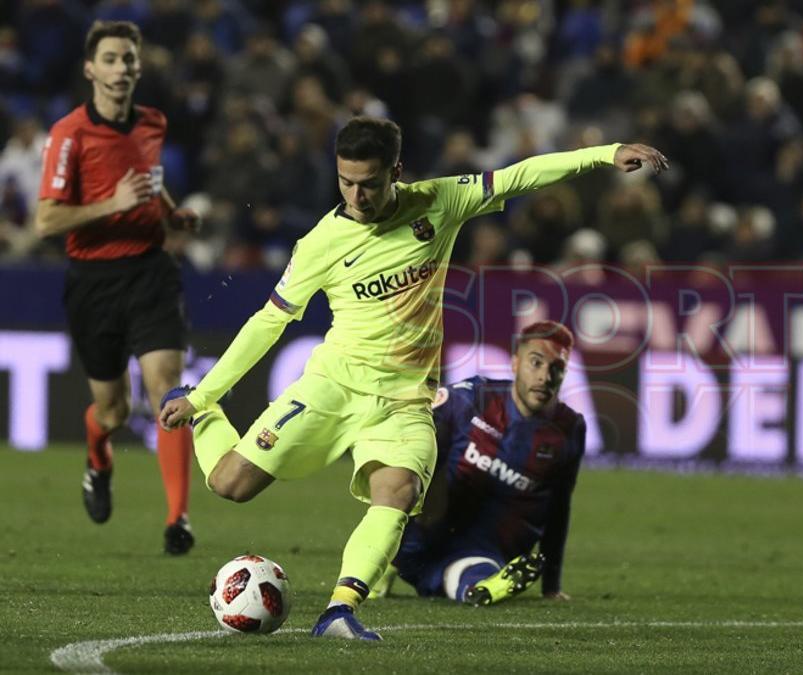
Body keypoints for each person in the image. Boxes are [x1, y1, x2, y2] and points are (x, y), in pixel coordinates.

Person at [159, 116, 666, 640]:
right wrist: (205, 394)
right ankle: (200, 411)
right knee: (230, 484)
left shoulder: (438, 202)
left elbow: (519, 176)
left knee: (396, 491)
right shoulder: (320, 243)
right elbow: (269, 321)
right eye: (345, 182)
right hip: (333, 387)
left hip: (405, 400)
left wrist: (604, 153)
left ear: (396, 172)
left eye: (369, 184)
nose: (356, 195)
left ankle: (339, 610)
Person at [35, 20, 200, 555]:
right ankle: (98, 458)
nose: (121, 68)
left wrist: (174, 213)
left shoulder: (153, 121)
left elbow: (148, 179)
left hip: (151, 270)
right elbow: (46, 221)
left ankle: (178, 520)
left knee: (167, 387)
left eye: (128, 59)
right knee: (112, 411)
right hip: (95, 282)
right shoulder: (68, 135)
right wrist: (114, 203)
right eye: (110, 59)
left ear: (138, 66)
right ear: (90, 69)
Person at [370, 321, 585, 606]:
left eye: (556, 368)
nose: (545, 376)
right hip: (423, 532)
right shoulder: (471, 399)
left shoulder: (569, 429)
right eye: (536, 363)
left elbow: (559, 509)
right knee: (411, 462)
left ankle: (481, 589)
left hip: (487, 547)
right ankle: (380, 562)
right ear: (515, 363)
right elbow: (405, 435)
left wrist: (551, 585)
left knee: (474, 573)